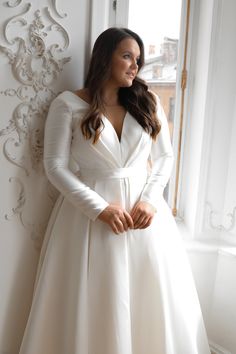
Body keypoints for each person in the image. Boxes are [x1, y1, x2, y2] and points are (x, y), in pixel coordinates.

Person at [19, 27, 211, 354]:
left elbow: (165, 155)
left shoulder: (146, 101)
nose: (135, 66)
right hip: (87, 221)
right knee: (96, 299)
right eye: (126, 56)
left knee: (149, 298)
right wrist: (100, 209)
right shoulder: (67, 105)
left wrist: (150, 202)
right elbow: (55, 166)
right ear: (104, 57)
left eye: (138, 59)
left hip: (145, 220)